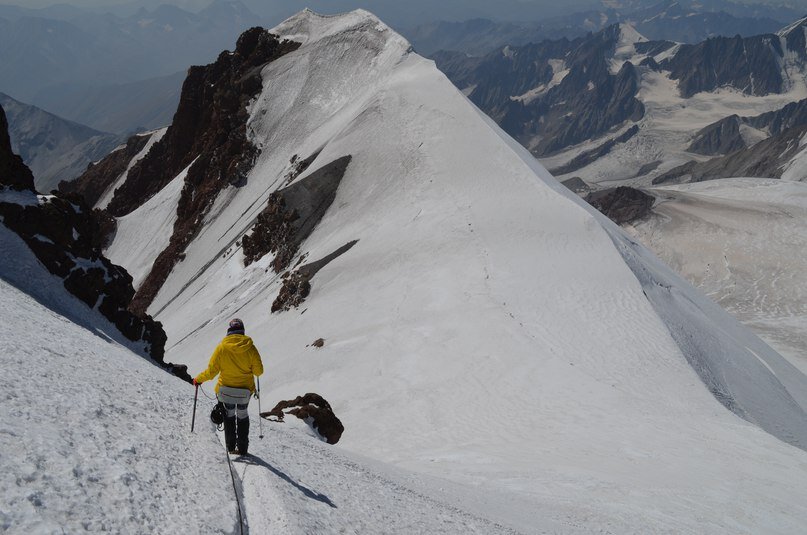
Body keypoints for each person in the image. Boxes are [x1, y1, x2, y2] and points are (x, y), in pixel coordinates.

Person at [194, 318, 264, 455]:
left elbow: (211, 371)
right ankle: (243, 448)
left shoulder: (221, 347)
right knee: (242, 416)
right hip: (245, 392)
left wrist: (198, 379)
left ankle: (230, 447)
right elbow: (258, 371)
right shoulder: (250, 347)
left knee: (229, 416)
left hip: (225, 392)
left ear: (229, 331)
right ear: (242, 331)